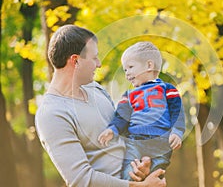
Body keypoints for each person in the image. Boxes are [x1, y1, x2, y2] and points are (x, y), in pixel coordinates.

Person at [35, 25, 166, 187]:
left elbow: (122, 138)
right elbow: (81, 179)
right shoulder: (52, 114)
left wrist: (141, 166)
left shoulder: (95, 89)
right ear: (75, 61)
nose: (99, 64)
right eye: (94, 58)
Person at [98, 41, 185, 180]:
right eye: (125, 69)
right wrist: (112, 129)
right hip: (135, 140)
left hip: (161, 140)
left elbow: (177, 113)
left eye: (130, 67)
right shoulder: (128, 95)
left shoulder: (168, 89)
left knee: (158, 169)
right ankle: (136, 175)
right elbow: (121, 117)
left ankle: (149, 168)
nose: (127, 73)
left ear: (149, 66)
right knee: (129, 170)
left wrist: (177, 132)